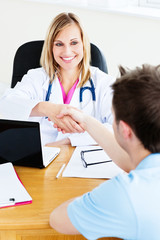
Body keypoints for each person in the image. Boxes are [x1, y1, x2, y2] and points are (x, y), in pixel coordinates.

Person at [49, 64, 160, 240]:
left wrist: (100, 196)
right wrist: (85, 120)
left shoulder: (125, 194)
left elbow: (58, 220)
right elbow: (131, 162)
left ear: (124, 130)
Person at [0, 12, 114, 146]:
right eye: (59, 44)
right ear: (51, 47)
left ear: (84, 44)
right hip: (39, 161)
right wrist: (49, 109)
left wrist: (68, 142)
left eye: (74, 43)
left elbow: (121, 129)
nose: (67, 52)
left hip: (80, 161)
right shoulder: (36, 78)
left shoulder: (103, 83)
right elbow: (5, 106)